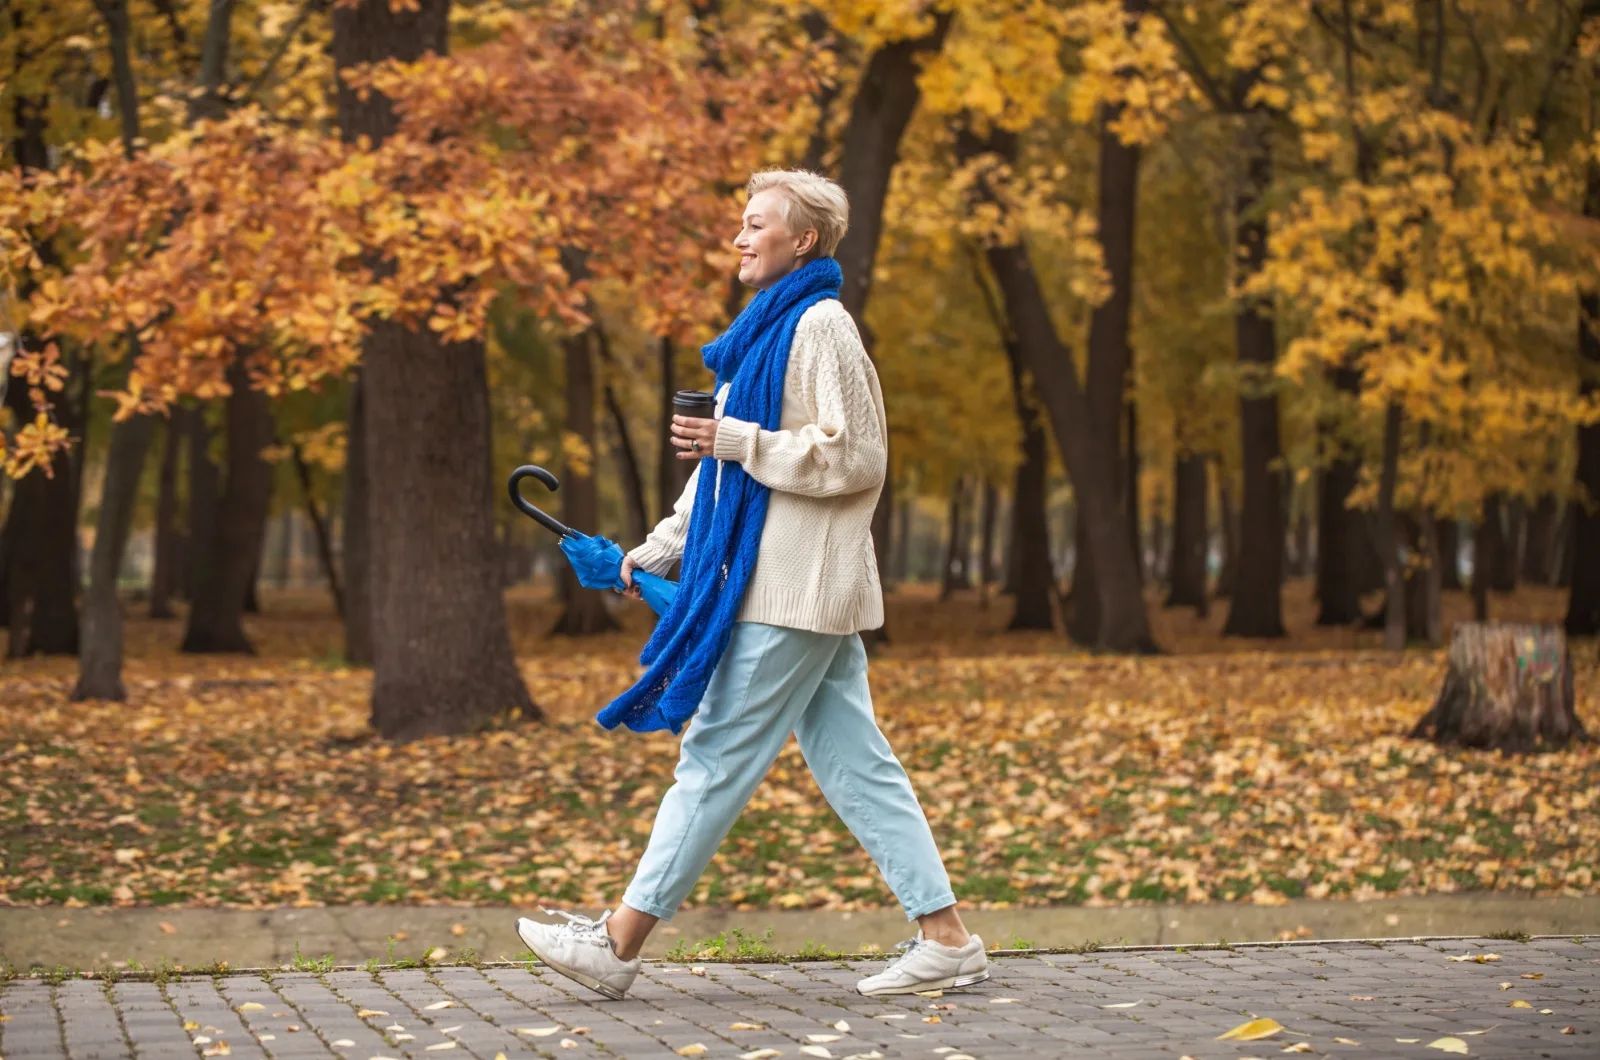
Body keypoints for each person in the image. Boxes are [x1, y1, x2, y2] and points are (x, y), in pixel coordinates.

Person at [515, 169, 986, 1001]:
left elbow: (857, 457)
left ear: (802, 241)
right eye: (740, 221)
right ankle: (946, 938)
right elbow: (718, 478)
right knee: (856, 765)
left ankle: (618, 945)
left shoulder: (822, 326)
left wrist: (740, 440)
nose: (739, 236)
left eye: (756, 223)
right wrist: (654, 551)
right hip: (787, 588)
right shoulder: (761, 335)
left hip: (795, 590)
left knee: (713, 759)